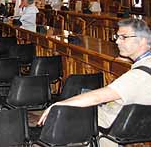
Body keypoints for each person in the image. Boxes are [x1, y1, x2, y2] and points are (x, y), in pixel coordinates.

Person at [38, 18, 151, 147]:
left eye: (124, 37)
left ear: (142, 40)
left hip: (115, 126)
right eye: (117, 37)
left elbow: (98, 97)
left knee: (65, 112)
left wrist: (59, 105)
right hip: (134, 121)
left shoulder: (138, 76)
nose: (117, 41)